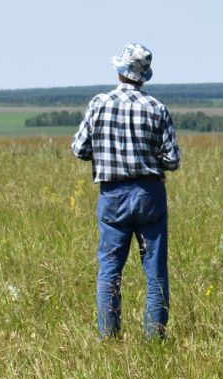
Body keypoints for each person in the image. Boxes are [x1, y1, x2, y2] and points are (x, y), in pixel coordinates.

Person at [71, 44, 180, 338]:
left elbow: (80, 149)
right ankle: (154, 338)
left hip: (113, 197)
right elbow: (172, 160)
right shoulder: (157, 108)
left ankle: (109, 338)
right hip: (149, 195)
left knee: (110, 271)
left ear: (120, 70)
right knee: (155, 273)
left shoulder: (98, 104)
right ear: (144, 76)